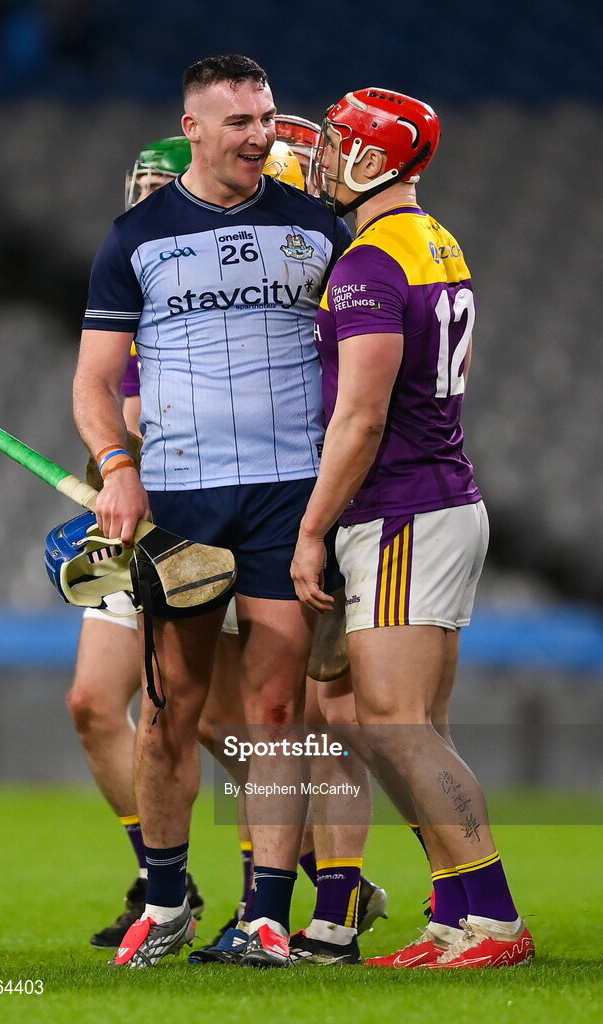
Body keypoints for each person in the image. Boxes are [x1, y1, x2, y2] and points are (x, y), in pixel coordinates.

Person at [73, 54, 351, 969]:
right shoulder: (135, 238)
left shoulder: (319, 228)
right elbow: (95, 381)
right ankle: (163, 901)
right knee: (171, 712)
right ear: (191, 128)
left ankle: (267, 917)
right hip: (183, 502)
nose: (260, 136)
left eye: (267, 117)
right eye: (238, 122)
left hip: (287, 499)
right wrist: (117, 465)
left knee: (274, 712)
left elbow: (363, 360)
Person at [291, 87, 535, 969]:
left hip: (399, 510)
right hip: (433, 503)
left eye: (334, 143)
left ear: (373, 157)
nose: (320, 157)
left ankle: (495, 920)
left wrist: (312, 529)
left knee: (393, 724)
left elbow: (359, 417)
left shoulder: (366, 262)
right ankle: (454, 917)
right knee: (414, 725)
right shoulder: (431, 238)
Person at [66, 137, 198, 950]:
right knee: (91, 703)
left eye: (164, 186)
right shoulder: (125, 275)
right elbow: (101, 401)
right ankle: (161, 881)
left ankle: (328, 881)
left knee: (218, 720)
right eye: (140, 185)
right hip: (130, 528)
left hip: (202, 524)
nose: (148, 200)